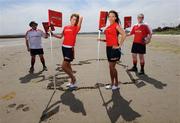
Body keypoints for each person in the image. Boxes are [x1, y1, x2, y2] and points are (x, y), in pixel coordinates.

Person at [52, 14, 83, 89]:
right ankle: (72, 81)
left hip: (70, 49)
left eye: (76, 19)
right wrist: (52, 34)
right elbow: (60, 36)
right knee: (68, 65)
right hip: (64, 48)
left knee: (63, 66)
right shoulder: (65, 27)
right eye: (73, 19)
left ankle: (73, 79)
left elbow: (81, 18)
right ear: (70, 19)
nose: (74, 20)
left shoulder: (76, 28)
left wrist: (78, 17)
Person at [98, 10, 126, 90]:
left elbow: (124, 34)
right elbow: (109, 39)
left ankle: (116, 83)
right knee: (110, 67)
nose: (110, 18)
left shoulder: (116, 25)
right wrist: (101, 40)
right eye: (109, 16)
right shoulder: (108, 27)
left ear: (115, 17)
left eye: (113, 16)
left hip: (114, 49)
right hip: (108, 48)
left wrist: (119, 46)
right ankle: (112, 83)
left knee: (112, 67)